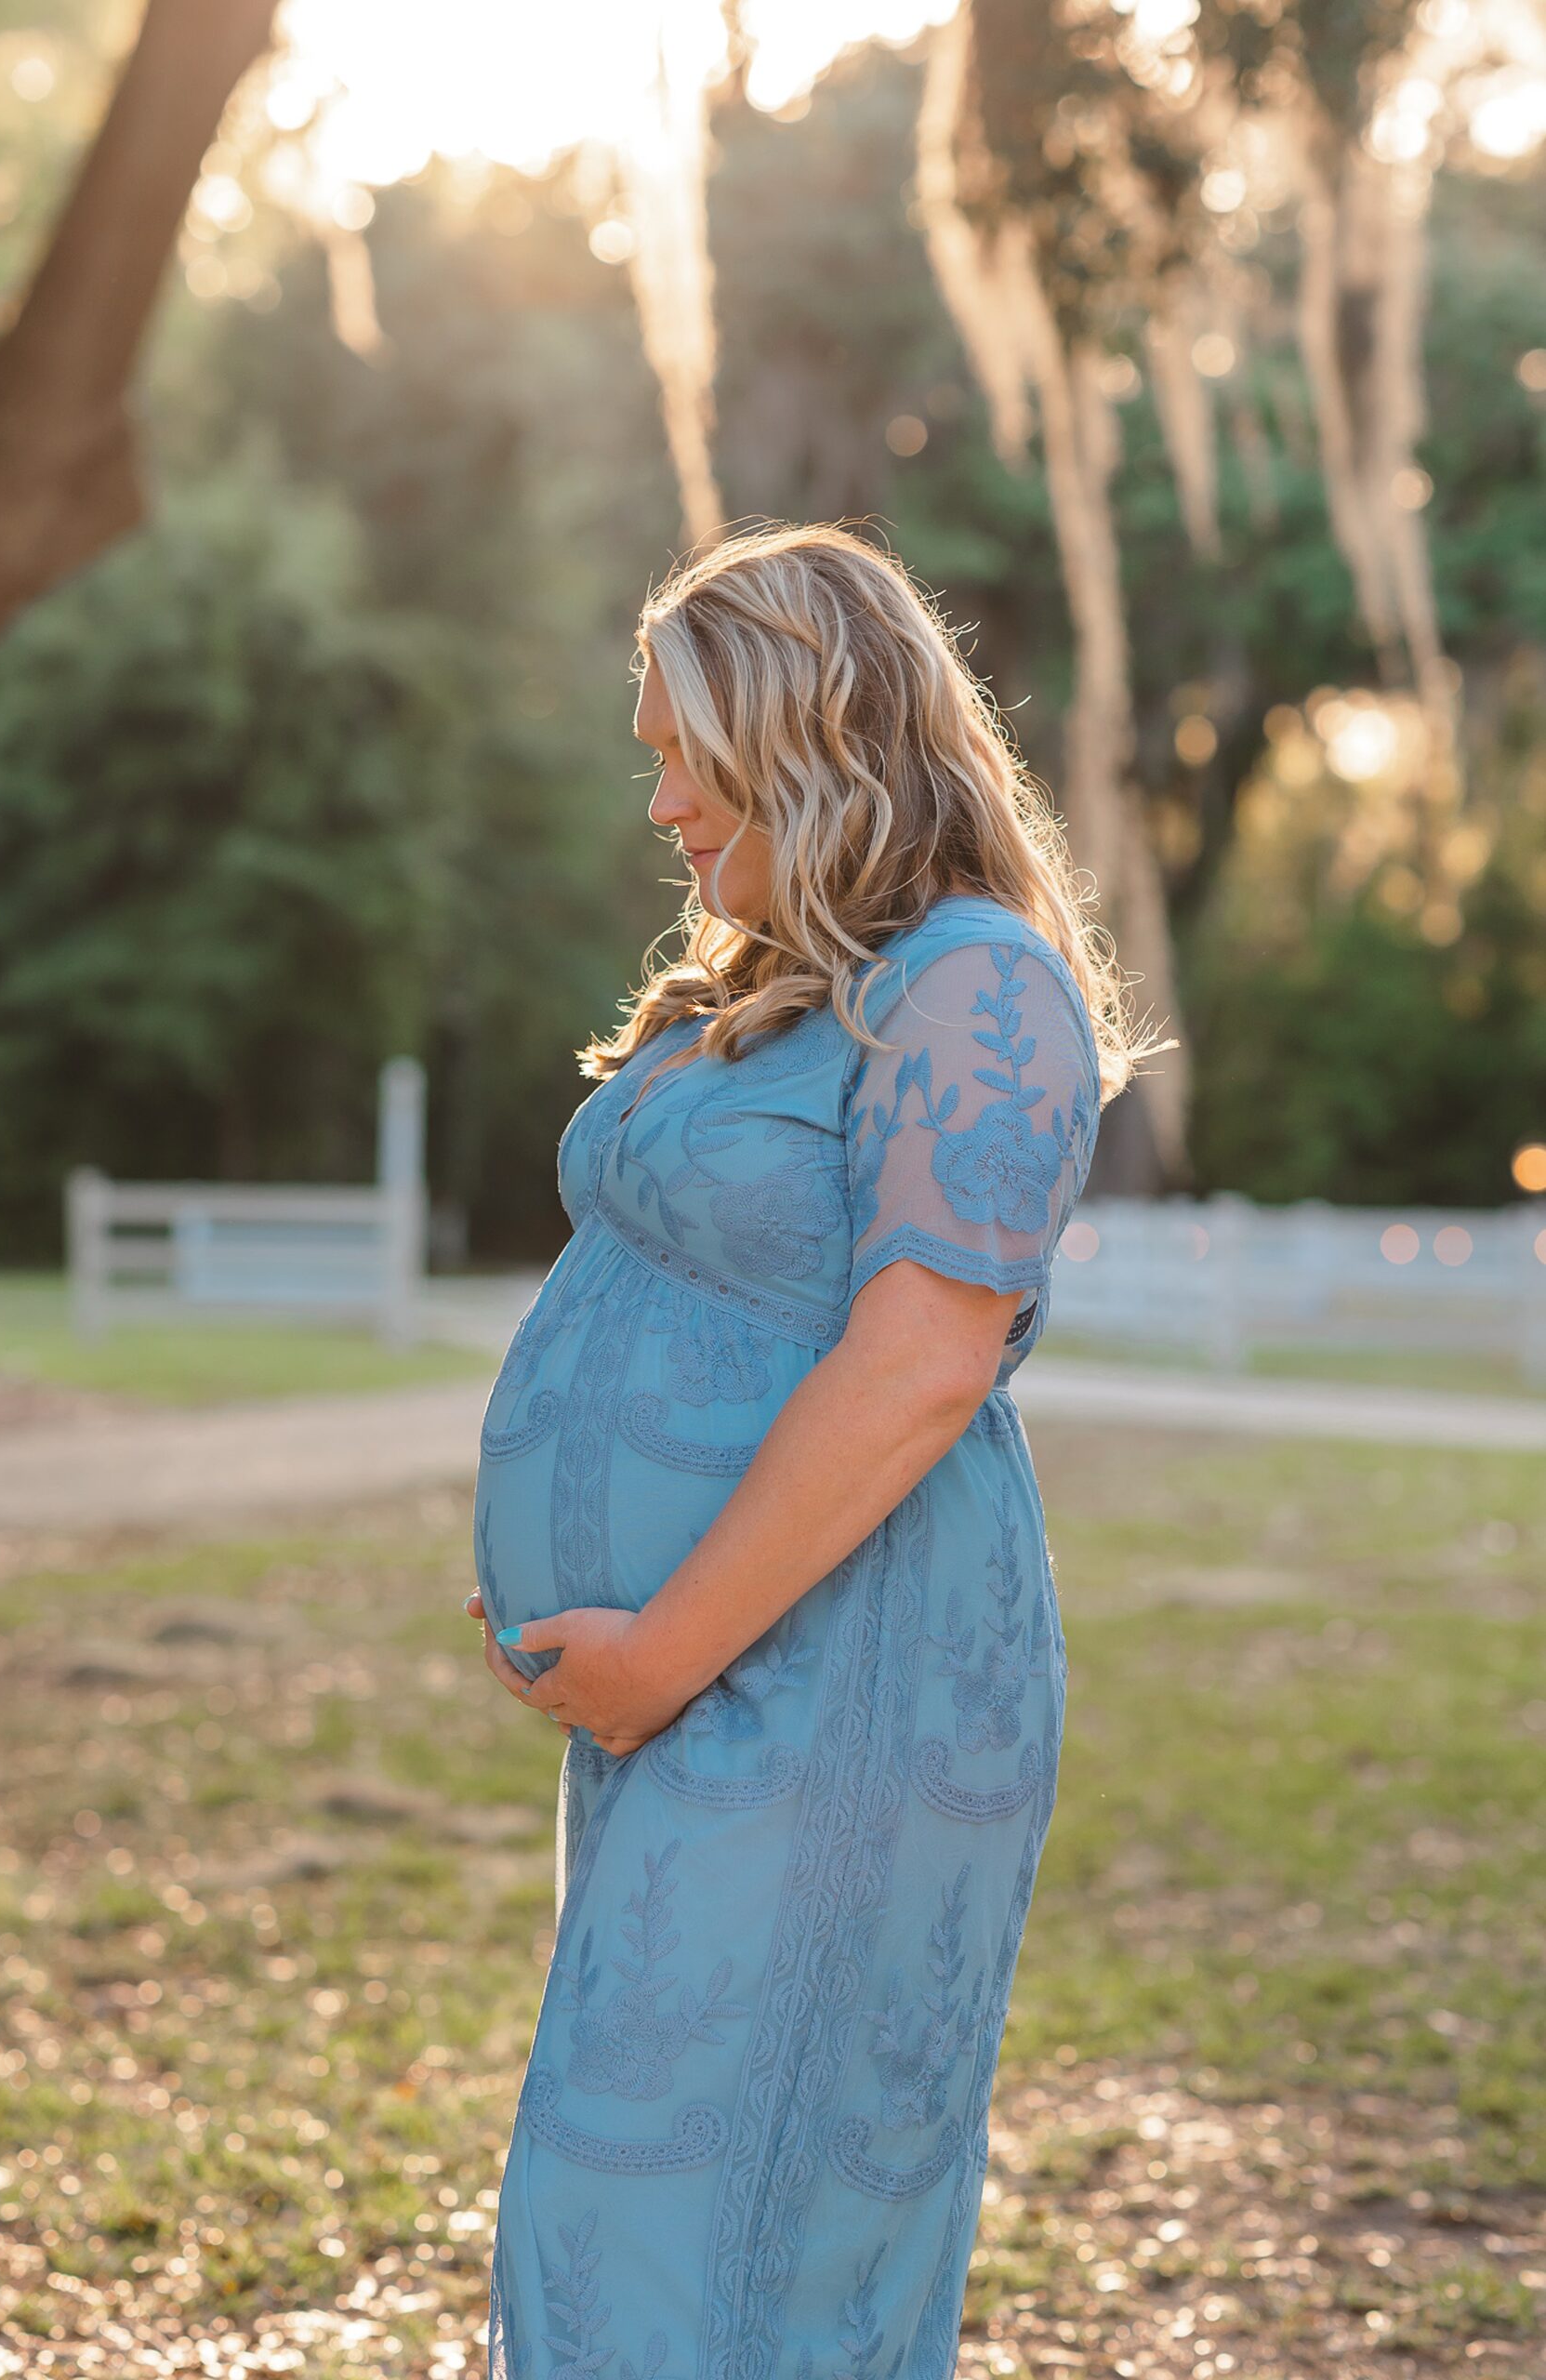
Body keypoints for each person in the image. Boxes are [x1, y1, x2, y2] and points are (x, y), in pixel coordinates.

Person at [462, 521, 1164, 2378]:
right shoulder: (759, 985)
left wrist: (654, 1643)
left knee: (703, 2208)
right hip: (688, 1674)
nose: (665, 803)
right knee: (633, 2204)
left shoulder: (973, 980)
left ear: (813, 732)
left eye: (686, 752)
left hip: (842, 1668)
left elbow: (926, 1355)